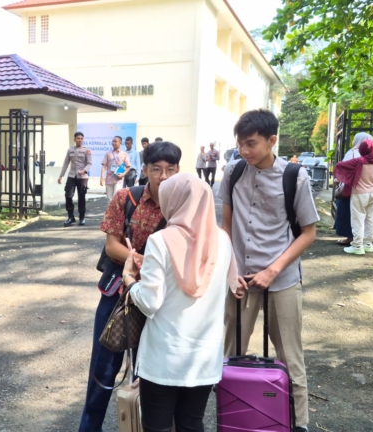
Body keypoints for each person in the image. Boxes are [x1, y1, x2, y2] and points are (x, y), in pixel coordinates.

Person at [219, 109, 319, 432]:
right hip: (241, 279)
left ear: (272, 140)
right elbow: (226, 226)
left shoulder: (294, 176)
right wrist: (229, 270)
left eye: (251, 144)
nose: (244, 151)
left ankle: (298, 423)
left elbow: (308, 233)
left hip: (283, 279)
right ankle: (234, 418)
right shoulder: (233, 171)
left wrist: (273, 270)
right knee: (230, 353)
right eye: (240, 144)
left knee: (290, 356)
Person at [122, 173, 245, 431]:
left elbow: (150, 301)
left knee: (157, 426)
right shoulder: (222, 240)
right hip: (204, 357)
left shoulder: (161, 241)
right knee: (191, 423)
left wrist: (130, 281)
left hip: (164, 356)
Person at [79, 141, 182, 432]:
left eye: (170, 169)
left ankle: (141, 426)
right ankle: (89, 428)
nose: (163, 176)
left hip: (158, 298)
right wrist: (148, 261)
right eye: (156, 169)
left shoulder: (184, 205)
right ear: (145, 170)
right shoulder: (126, 198)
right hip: (118, 296)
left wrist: (141, 263)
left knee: (149, 373)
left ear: (178, 170)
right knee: (103, 368)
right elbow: (112, 247)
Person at [333, 139, 373, 255]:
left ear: (362, 149)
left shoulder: (358, 161)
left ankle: (357, 245)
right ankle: (368, 244)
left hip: (359, 193)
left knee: (358, 219)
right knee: (370, 219)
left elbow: (340, 166)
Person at [58, 131, 92, 227]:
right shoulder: (70, 150)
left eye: (81, 138)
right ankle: (70, 216)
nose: (80, 140)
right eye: (78, 138)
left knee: (81, 197)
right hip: (72, 176)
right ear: (74, 139)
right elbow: (66, 163)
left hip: (82, 177)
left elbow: (89, 163)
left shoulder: (87, 150)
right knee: (68, 195)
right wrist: (61, 175)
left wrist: (84, 170)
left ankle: (81, 217)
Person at [100, 136, 131, 200]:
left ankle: (117, 210)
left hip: (118, 179)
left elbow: (128, 167)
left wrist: (123, 174)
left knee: (116, 197)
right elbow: (104, 166)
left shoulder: (124, 154)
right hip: (109, 179)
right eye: (113, 141)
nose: (113, 143)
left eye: (115, 141)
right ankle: (110, 210)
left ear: (120, 143)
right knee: (109, 199)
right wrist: (102, 177)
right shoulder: (108, 154)